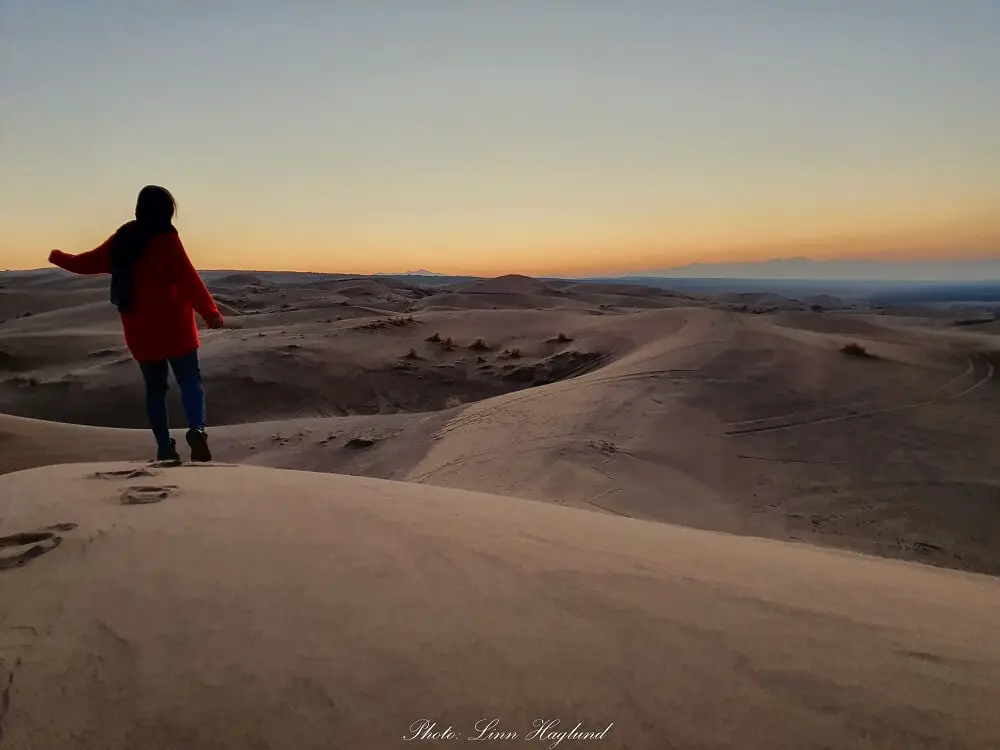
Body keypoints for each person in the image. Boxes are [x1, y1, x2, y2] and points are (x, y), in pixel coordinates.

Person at [48, 185, 224, 462]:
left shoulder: (122, 240)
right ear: (168, 210)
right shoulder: (166, 239)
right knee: (190, 379)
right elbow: (188, 278)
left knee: (155, 389)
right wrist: (209, 311)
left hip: (140, 331)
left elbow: (87, 262)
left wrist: (58, 257)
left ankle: (164, 447)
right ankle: (197, 430)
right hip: (175, 327)